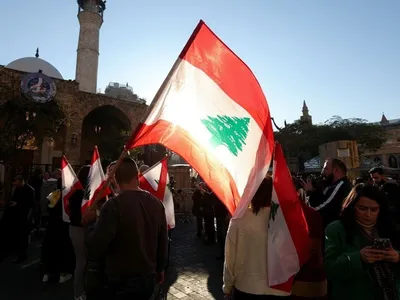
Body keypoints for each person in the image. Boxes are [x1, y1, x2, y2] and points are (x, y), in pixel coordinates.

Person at [86, 157, 168, 299]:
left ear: (115, 179)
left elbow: (96, 246)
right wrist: (160, 269)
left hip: (120, 279)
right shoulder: (157, 204)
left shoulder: (113, 205)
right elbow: (163, 241)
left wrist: (89, 222)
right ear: (137, 176)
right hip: (147, 276)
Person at [324, 184, 400, 300]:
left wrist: (397, 257)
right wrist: (359, 258)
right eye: (362, 209)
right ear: (352, 206)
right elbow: (330, 268)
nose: (368, 214)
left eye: (374, 210)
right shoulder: (337, 229)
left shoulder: (391, 228)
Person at [223, 176, 289, 299]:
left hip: (247, 288)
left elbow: (230, 258)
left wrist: (227, 286)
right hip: (280, 288)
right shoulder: (285, 220)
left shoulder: (239, 220)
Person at [41, 178, 74, 283]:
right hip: (64, 227)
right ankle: (63, 273)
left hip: (52, 226)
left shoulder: (55, 193)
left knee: (50, 249)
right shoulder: (70, 195)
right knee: (64, 250)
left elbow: (47, 207)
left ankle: (48, 272)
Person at [302, 158, 352, 228]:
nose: (322, 172)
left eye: (326, 169)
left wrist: (310, 193)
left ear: (336, 170)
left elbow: (319, 209)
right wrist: (314, 191)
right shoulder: (332, 185)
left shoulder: (340, 186)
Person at [69, 165, 90, 300]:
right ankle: (79, 293)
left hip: (75, 228)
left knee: (82, 261)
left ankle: (80, 292)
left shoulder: (75, 192)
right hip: (80, 228)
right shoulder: (80, 193)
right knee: (82, 261)